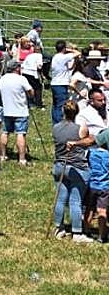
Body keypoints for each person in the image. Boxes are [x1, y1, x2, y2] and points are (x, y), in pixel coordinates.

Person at [52, 101, 94, 241]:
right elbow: (88, 142)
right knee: (75, 200)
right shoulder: (80, 128)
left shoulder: (55, 127)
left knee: (60, 199)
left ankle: (59, 228)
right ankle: (77, 233)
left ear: (63, 112)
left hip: (59, 166)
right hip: (77, 168)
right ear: (77, 112)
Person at [0, 59, 34, 166]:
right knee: (20, 133)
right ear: (17, 68)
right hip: (20, 110)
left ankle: (3, 155)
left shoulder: (2, 79)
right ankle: (22, 158)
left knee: (5, 132)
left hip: (7, 110)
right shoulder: (21, 79)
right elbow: (30, 91)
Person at [50, 40, 79, 124]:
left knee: (55, 105)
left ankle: (55, 121)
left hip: (55, 83)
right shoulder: (63, 57)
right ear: (64, 48)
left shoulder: (55, 57)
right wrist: (70, 50)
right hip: (61, 84)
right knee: (61, 104)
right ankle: (59, 122)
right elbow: (77, 53)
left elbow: (69, 68)